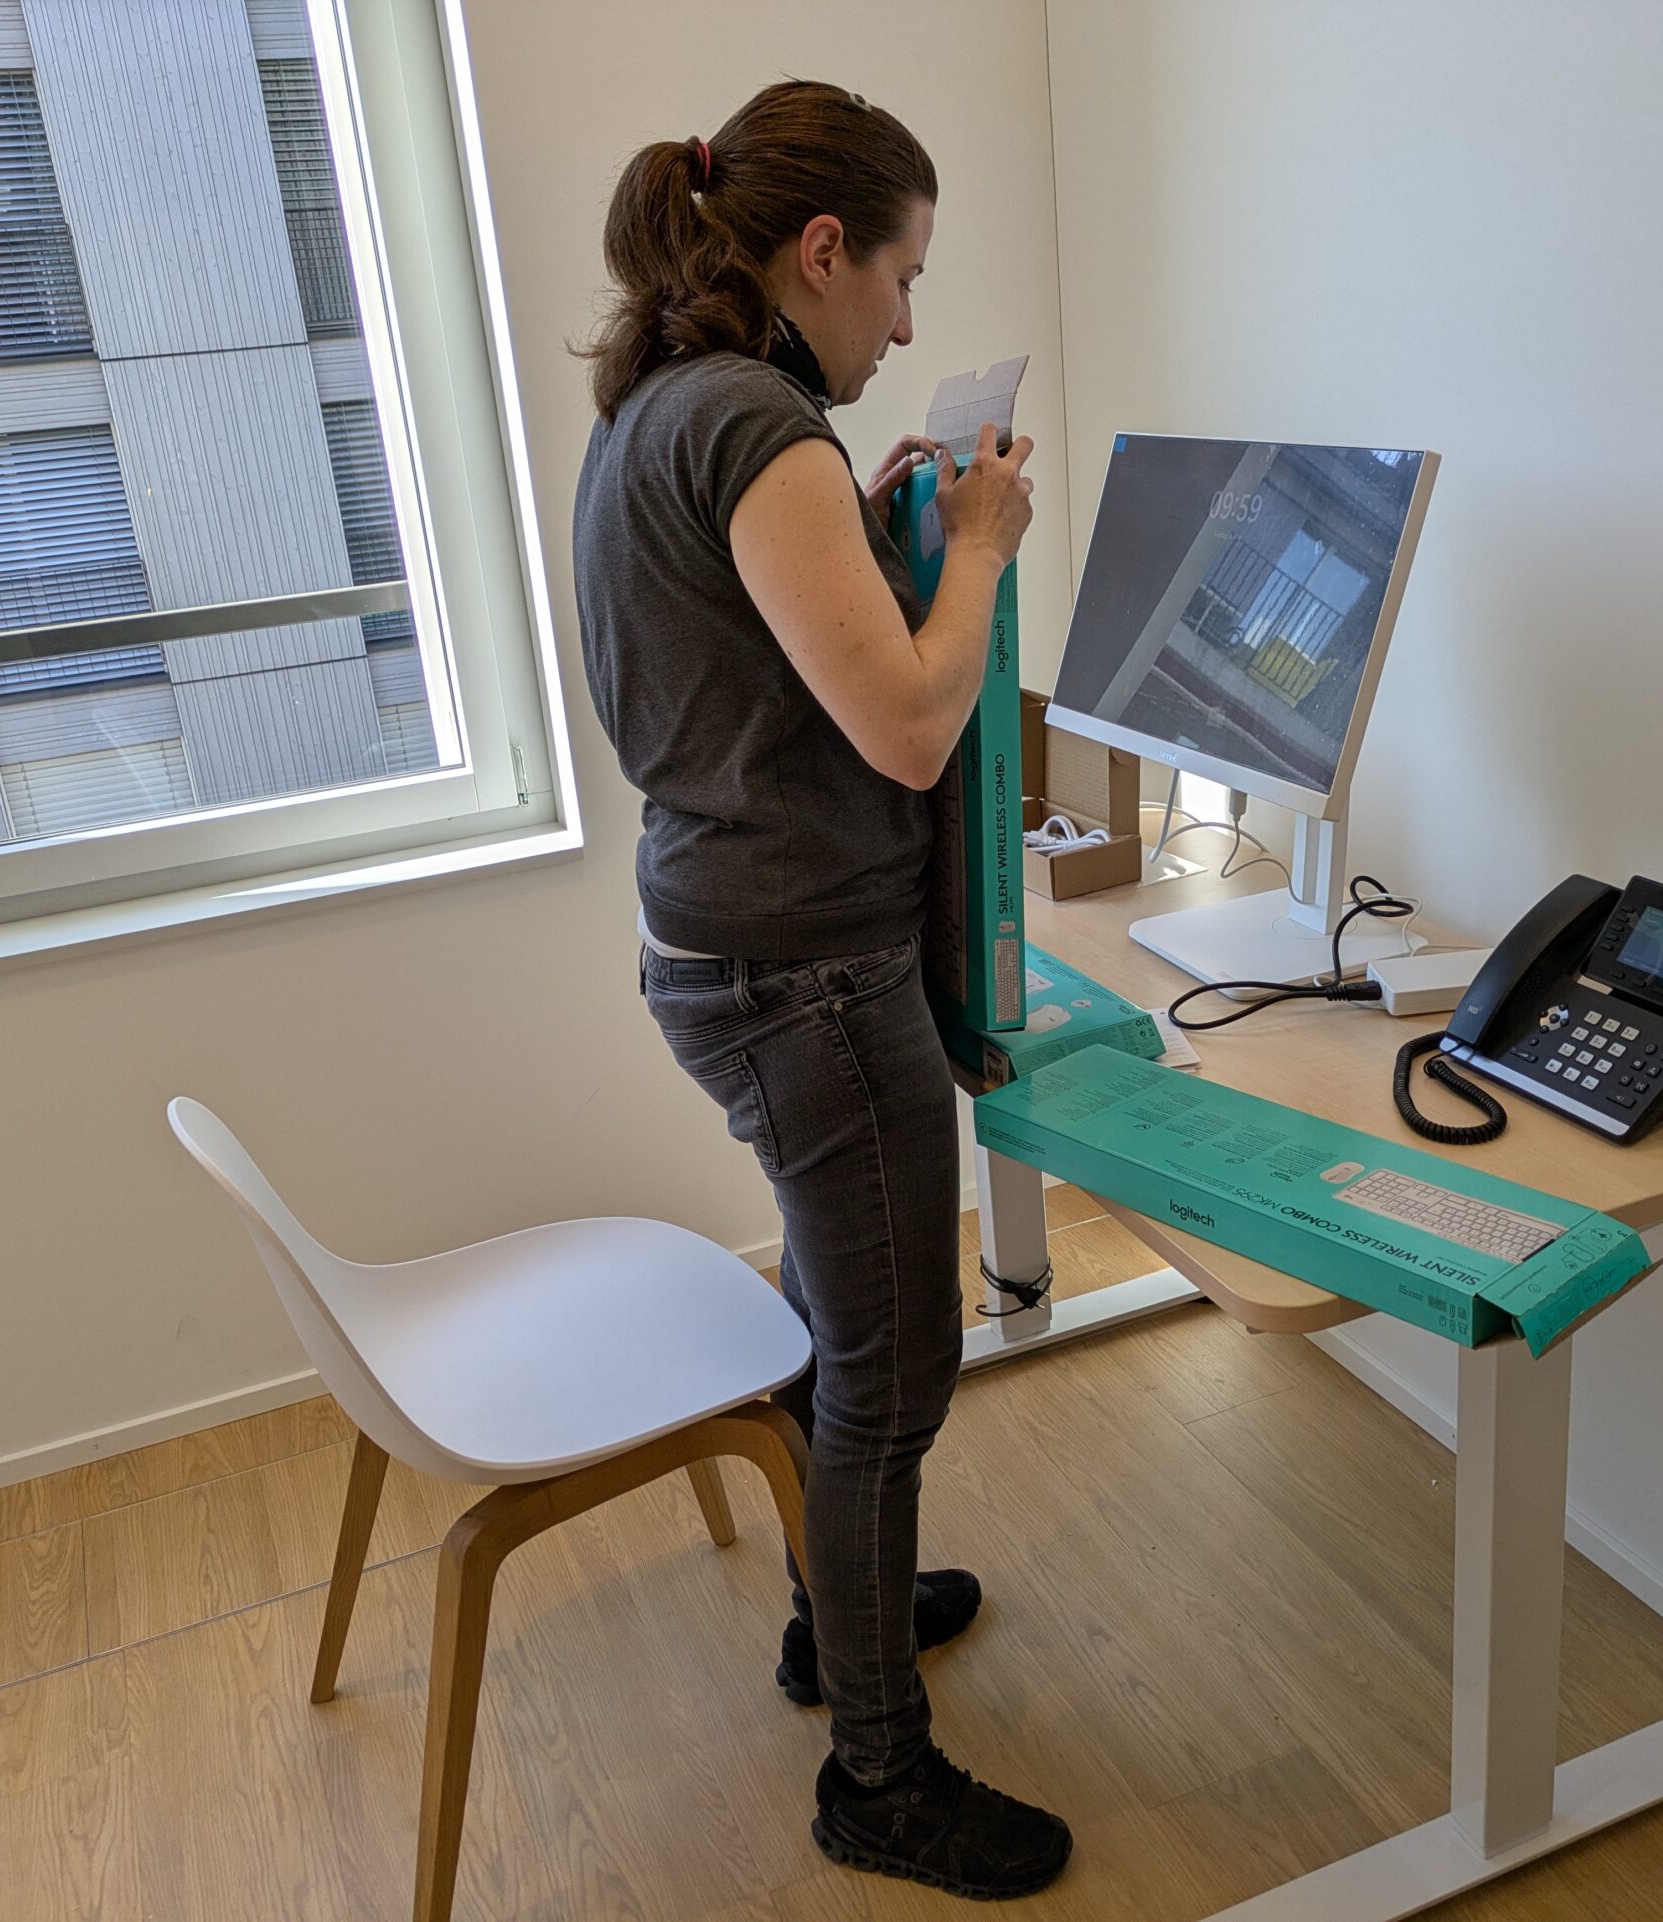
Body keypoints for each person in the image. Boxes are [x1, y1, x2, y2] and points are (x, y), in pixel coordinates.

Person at [571, 79, 1069, 1901]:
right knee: (892, 1370)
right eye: (904, 277)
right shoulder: (754, 424)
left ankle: (826, 1613)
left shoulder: (661, 410)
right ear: (822, 250)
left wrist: (861, 533)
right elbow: (916, 728)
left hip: (725, 946)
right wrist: (981, 551)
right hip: (807, 979)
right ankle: (877, 1776)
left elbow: (755, 664)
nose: (910, 326)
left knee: (825, 1318)